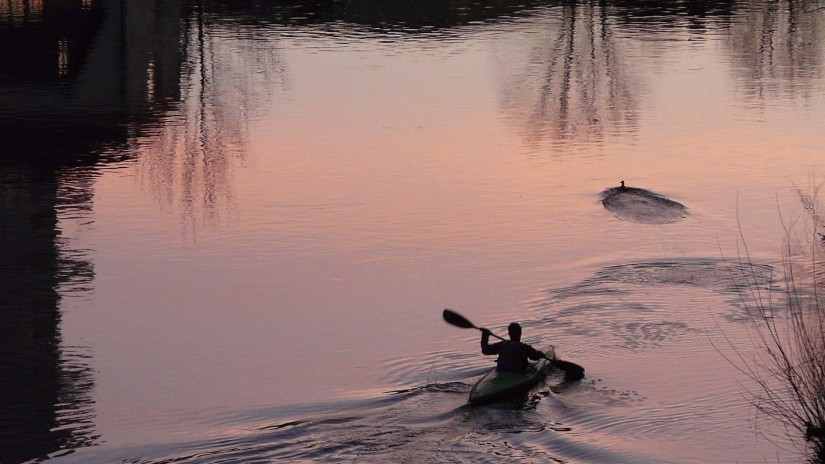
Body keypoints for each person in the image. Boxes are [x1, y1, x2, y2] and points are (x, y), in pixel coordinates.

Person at [479, 322, 547, 373]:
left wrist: (485, 336)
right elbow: (535, 357)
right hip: (518, 374)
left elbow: (485, 350)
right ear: (520, 333)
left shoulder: (501, 345)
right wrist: (541, 354)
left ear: (509, 334)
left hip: (502, 372)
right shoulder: (524, 348)